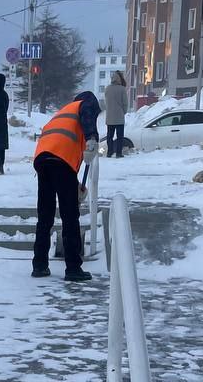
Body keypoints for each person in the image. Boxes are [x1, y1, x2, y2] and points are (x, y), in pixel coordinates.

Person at [31, 90, 101, 282]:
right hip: (61, 161)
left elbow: (62, 147)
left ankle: (39, 265)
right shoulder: (84, 104)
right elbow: (88, 114)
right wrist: (92, 138)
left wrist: (75, 185)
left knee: (45, 215)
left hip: (43, 159)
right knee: (70, 215)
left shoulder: (63, 113)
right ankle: (73, 268)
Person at [103, 71, 129, 158]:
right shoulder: (122, 89)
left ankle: (109, 152)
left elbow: (106, 102)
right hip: (119, 117)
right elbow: (125, 103)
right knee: (119, 136)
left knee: (109, 136)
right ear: (119, 79)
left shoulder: (107, 89)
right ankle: (118, 153)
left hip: (109, 117)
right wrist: (123, 112)